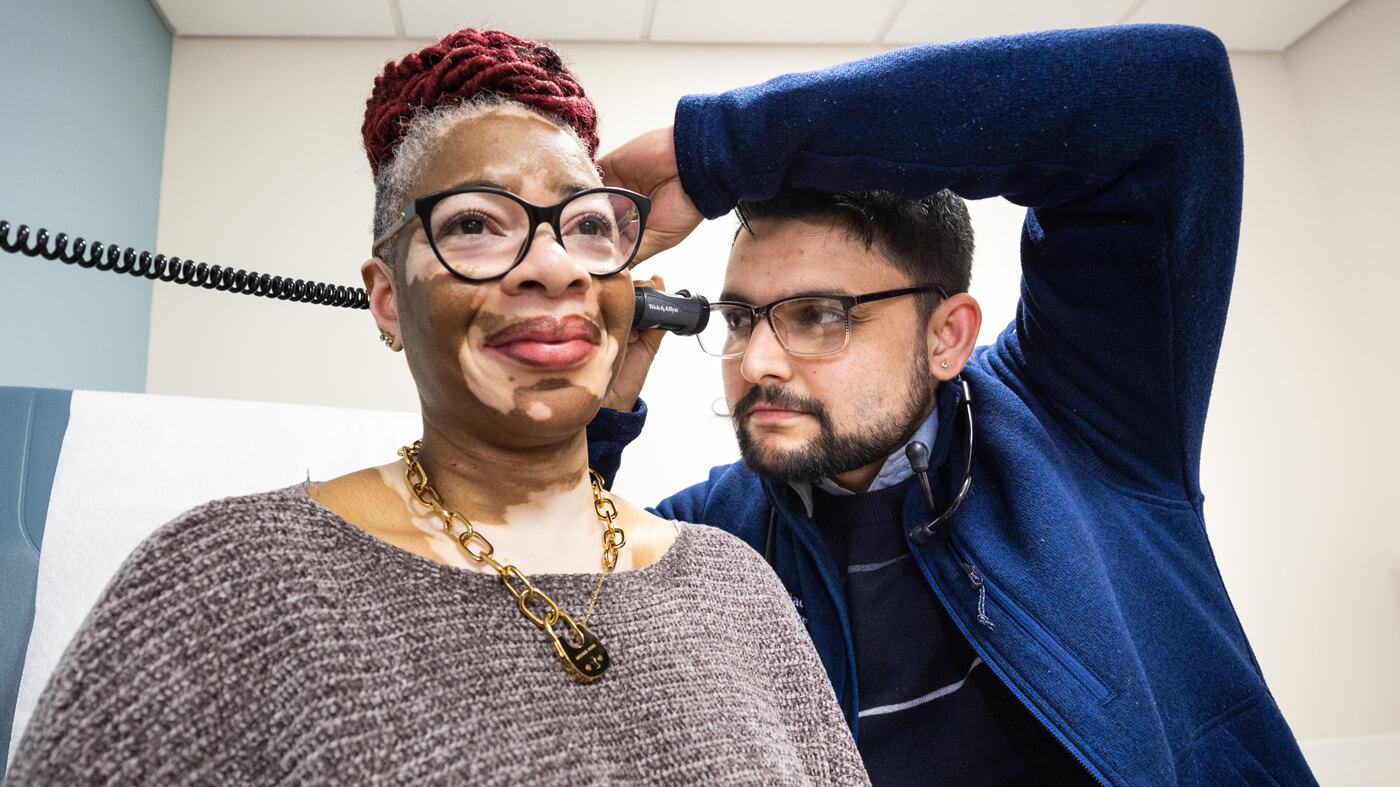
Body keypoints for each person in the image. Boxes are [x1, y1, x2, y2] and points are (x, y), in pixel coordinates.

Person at [7, 29, 868, 785]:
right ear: (387, 299)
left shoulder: (737, 587)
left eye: (589, 227)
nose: (556, 266)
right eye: (475, 225)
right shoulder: (220, 582)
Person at [589, 24, 1317, 786]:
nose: (758, 362)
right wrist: (593, 425)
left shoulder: (1081, 418)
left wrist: (720, 151)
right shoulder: (715, 536)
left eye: (820, 315)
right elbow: (523, 622)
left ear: (947, 336)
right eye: (741, 318)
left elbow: (1169, 94)